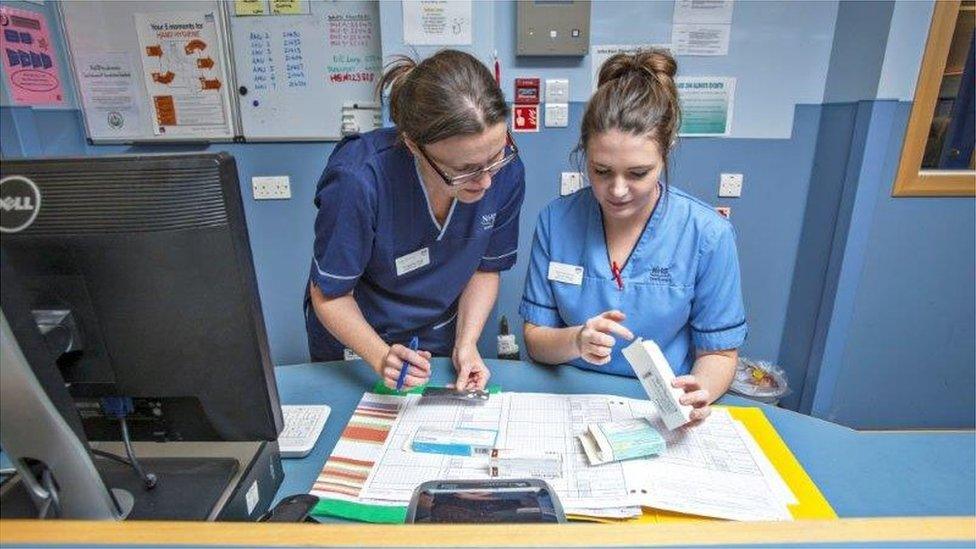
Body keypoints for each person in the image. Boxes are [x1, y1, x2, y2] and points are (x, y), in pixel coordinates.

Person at [519, 49, 746, 425]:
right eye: (601, 170)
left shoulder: (708, 234)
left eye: (638, 173)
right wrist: (576, 340)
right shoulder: (556, 221)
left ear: (667, 150)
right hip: (569, 399)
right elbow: (536, 340)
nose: (617, 190)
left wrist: (698, 392)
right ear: (584, 152)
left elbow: (719, 355)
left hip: (659, 409)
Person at [306, 50, 525, 391]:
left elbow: (484, 268)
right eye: (464, 170)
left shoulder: (504, 172)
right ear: (413, 145)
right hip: (358, 342)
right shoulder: (358, 180)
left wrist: (465, 344)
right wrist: (381, 358)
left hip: (439, 336)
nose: (485, 181)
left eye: (495, 157)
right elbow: (330, 295)